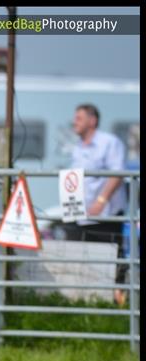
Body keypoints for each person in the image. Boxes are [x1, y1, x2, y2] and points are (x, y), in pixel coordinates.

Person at [64, 103, 129, 304]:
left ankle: (116, 301)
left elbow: (117, 174)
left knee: (109, 259)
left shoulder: (109, 143)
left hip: (105, 214)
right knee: (78, 256)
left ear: (92, 121)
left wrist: (101, 200)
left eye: (79, 118)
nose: (75, 122)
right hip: (79, 213)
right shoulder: (78, 147)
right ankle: (82, 300)